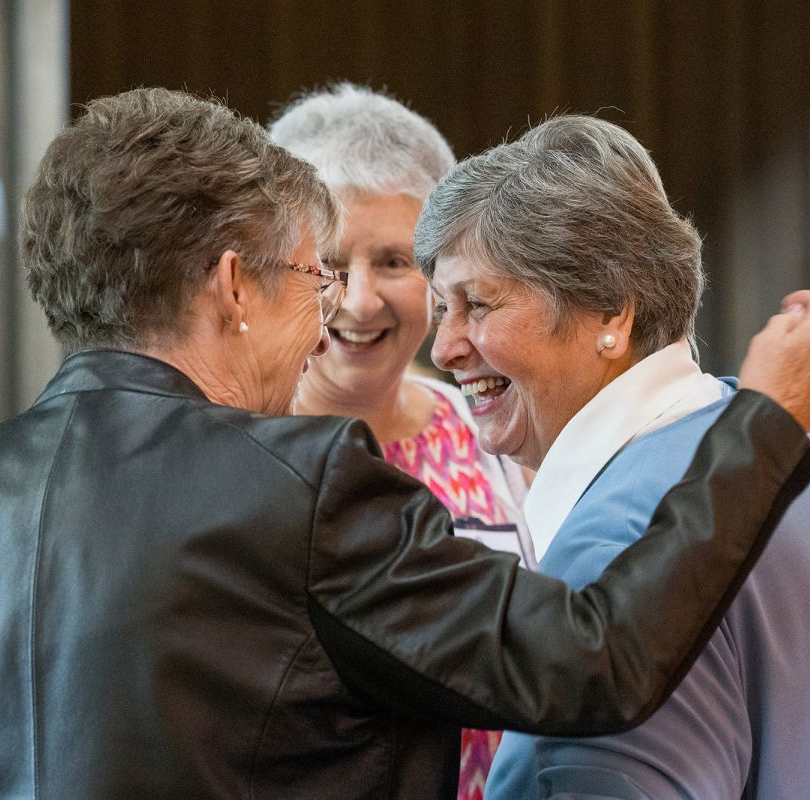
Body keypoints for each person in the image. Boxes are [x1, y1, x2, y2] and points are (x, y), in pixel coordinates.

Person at [0, 89, 810, 800]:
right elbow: (594, 657)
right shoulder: (298, 490)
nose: (330, 316)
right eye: (310, 278)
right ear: (230, 285)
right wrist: (765, 420)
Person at [410, 114, 810, 800]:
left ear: (612, 313)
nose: (443, 350)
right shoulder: (803, 462)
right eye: (442, 308)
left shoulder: (620, 552)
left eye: (478, 304)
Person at [269, 84, 529, 800]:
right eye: (326, 262)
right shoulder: (229, 450)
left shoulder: (499, 437)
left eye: (392, 261)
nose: (357, 301)